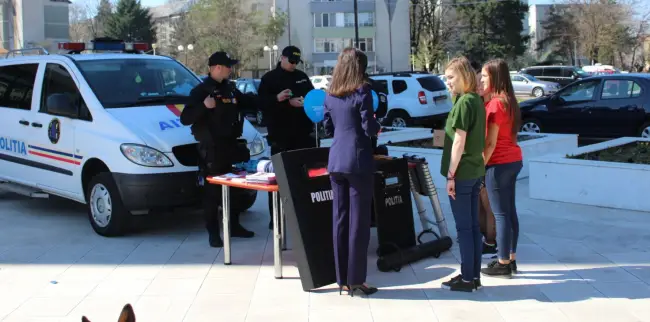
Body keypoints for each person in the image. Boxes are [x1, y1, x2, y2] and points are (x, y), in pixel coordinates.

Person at [180, 51, 255, 248]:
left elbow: (247, 102)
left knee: (236, 190)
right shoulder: (200, 91)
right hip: (212, 149)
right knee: (212, 194)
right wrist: (204, 106)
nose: (231, 69)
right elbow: (185, 118)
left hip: (231, 145)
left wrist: (274, 99)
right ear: (217, 67)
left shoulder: (230, 89)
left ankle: (234, 226)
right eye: (228, 66)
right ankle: (213, 233)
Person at [323, 48, 381, 297]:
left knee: (340, 220)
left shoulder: (330, 95)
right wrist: (377, 125)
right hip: (358, 162)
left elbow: (327, 128)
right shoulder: (363, 92)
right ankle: (357, 279)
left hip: (336, 161)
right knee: (359, 222)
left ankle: (342, 281)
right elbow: (369, 127)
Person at [440, 56, 486, 292]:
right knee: (473, 228)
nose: (447, 82)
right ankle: (473, 276)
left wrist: (450, 176)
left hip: (462, 174)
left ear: (464, 76)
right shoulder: (474, 99)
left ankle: (468, 279)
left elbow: (459, 142)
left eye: (451, 77)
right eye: (446, 78)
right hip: (474, 171)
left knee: (464, 229)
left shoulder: (465, 103)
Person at [257, 45, 315, 229]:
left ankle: (301, 215)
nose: (293, 64)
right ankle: (276, 218)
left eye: (296, 62)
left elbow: (312, 97)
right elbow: (262, 104)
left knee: (303, 178)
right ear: (282, 58)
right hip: (281, 136)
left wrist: (305, 103)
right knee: (278, 178)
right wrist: (281, 101)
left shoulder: (302, 77)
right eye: (291, 61)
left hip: (303, 136)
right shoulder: (269, 79)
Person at [479, 59, 523, 278]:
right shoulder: (510, 101)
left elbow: (490, 143)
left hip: (499, 164)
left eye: (485, 76)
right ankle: (511, 258)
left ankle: (503, 262)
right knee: (510, 212)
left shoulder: (496, 104)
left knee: (500, 214)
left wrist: (481, 166)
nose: (481, 79)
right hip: (514, 161)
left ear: (495, 78)